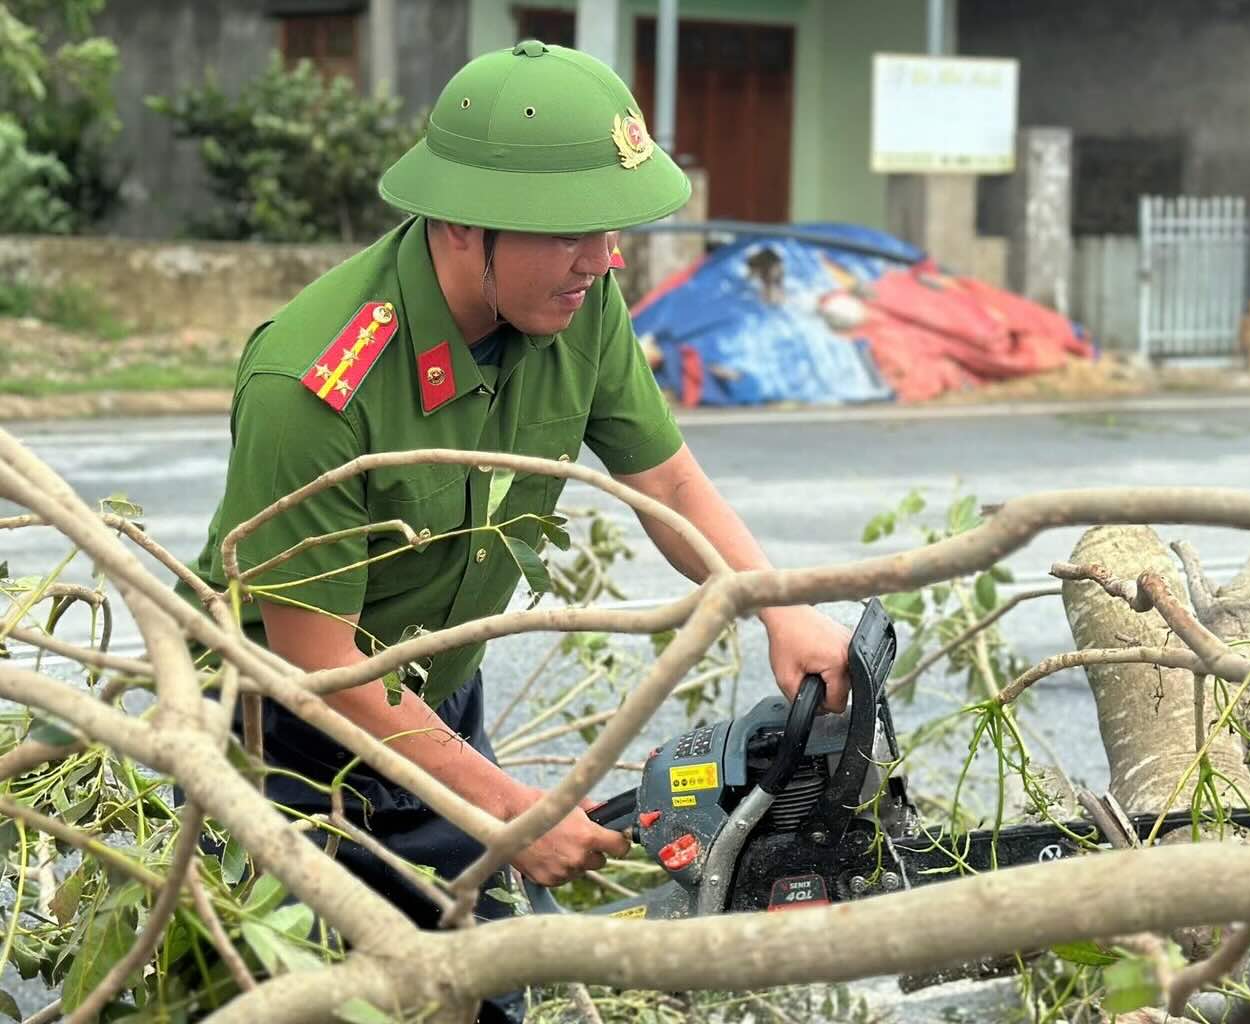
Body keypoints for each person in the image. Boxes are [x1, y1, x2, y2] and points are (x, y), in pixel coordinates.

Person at [181, 38, 851, 1019]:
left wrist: (776, 609)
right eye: (573, 231)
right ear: (461, 223)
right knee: (305, 997)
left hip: (438, 704)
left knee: (495, 986)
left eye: (611, 230)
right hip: (280, 743)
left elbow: (662, 474)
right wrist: (501, 804)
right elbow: (323, 669)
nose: (603, 260)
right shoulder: (315, 386)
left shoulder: (577, 307)